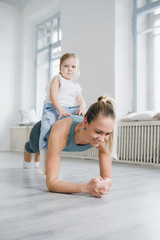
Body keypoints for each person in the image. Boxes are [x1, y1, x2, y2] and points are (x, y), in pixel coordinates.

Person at [24, 96, 116, 198]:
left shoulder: (102, 136)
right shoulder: (60, 132)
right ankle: (27, 150)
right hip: (39, 135)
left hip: (57, 140)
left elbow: (108, 178)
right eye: (98, 132)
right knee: (33, 149)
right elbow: (51, 183)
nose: (102, 139)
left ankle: (37, 156)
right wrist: (86, 188)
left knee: (44, 155)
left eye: (107, 133)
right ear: (85, 122)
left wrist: (100, 185)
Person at [39, 53, 86, 151]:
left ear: (77, 70)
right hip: (54, 108)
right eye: (66, 66)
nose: (69, 69)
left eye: (73, 67)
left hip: (69, 109)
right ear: (60, 69)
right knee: (46, 125)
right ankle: (44, 149)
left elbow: (81, 100)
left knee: (87, 109)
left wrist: (82, 106)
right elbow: (53, 95)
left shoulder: (76, 86)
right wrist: (60, 109)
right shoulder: (58, 79)